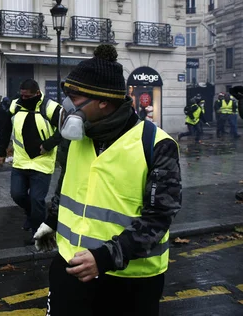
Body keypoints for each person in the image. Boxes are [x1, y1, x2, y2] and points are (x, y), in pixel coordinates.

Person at [33, 45, 182, 316]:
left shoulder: (156, 144)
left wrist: (104, 258)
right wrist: (50, 222)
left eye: (75, 98)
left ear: (103, 101)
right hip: (71, 270)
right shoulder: (76, 138)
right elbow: (65, 186)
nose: (67, 106)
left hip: (130, 283)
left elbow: (159, 216)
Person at [0, 79, 61, 240]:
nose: (23, 99)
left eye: (27, 96)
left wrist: (49, 144)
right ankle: (32, 215)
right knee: (17, 195)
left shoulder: (51, 107)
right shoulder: (15, 106)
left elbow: (66, 127)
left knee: (37, 199)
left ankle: (37, 234)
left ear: (37, 93)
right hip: (20, 162)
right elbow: (5, 130)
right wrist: (1, 151)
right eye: (21, 95)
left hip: (42, 162)